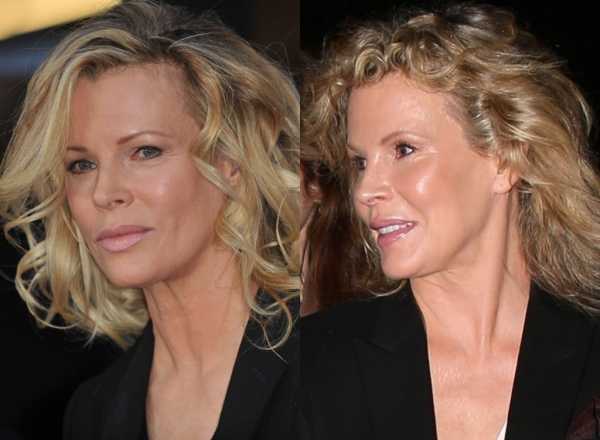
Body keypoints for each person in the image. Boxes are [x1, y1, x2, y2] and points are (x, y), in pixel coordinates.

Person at [0, 1, 300, 439]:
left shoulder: (331, 361)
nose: (104, 193)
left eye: (145, 152)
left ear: (230, 158)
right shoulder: (92, 413)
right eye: (81, 165)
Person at [301, 3, 600, 439]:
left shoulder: (588, 358)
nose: (365, 191)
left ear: (504, 159)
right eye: (360, 162)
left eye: (403, 150)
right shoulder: (313, 365)